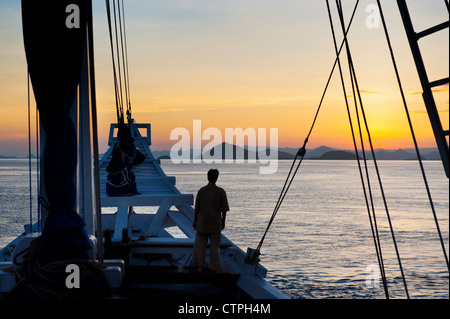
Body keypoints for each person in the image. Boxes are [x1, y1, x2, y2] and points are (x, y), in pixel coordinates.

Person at [192, 169, 229, 273]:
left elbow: (197, 208)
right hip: (214, 223)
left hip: (202, 223)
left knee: (200, 246)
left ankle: (200, 267)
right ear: (216, 178)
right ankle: (216, 268)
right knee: (214, 247)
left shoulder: (201, 190)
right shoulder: (220, 191)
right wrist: (223, 221)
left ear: (207, 177)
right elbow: (224, 210)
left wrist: (194, 221)